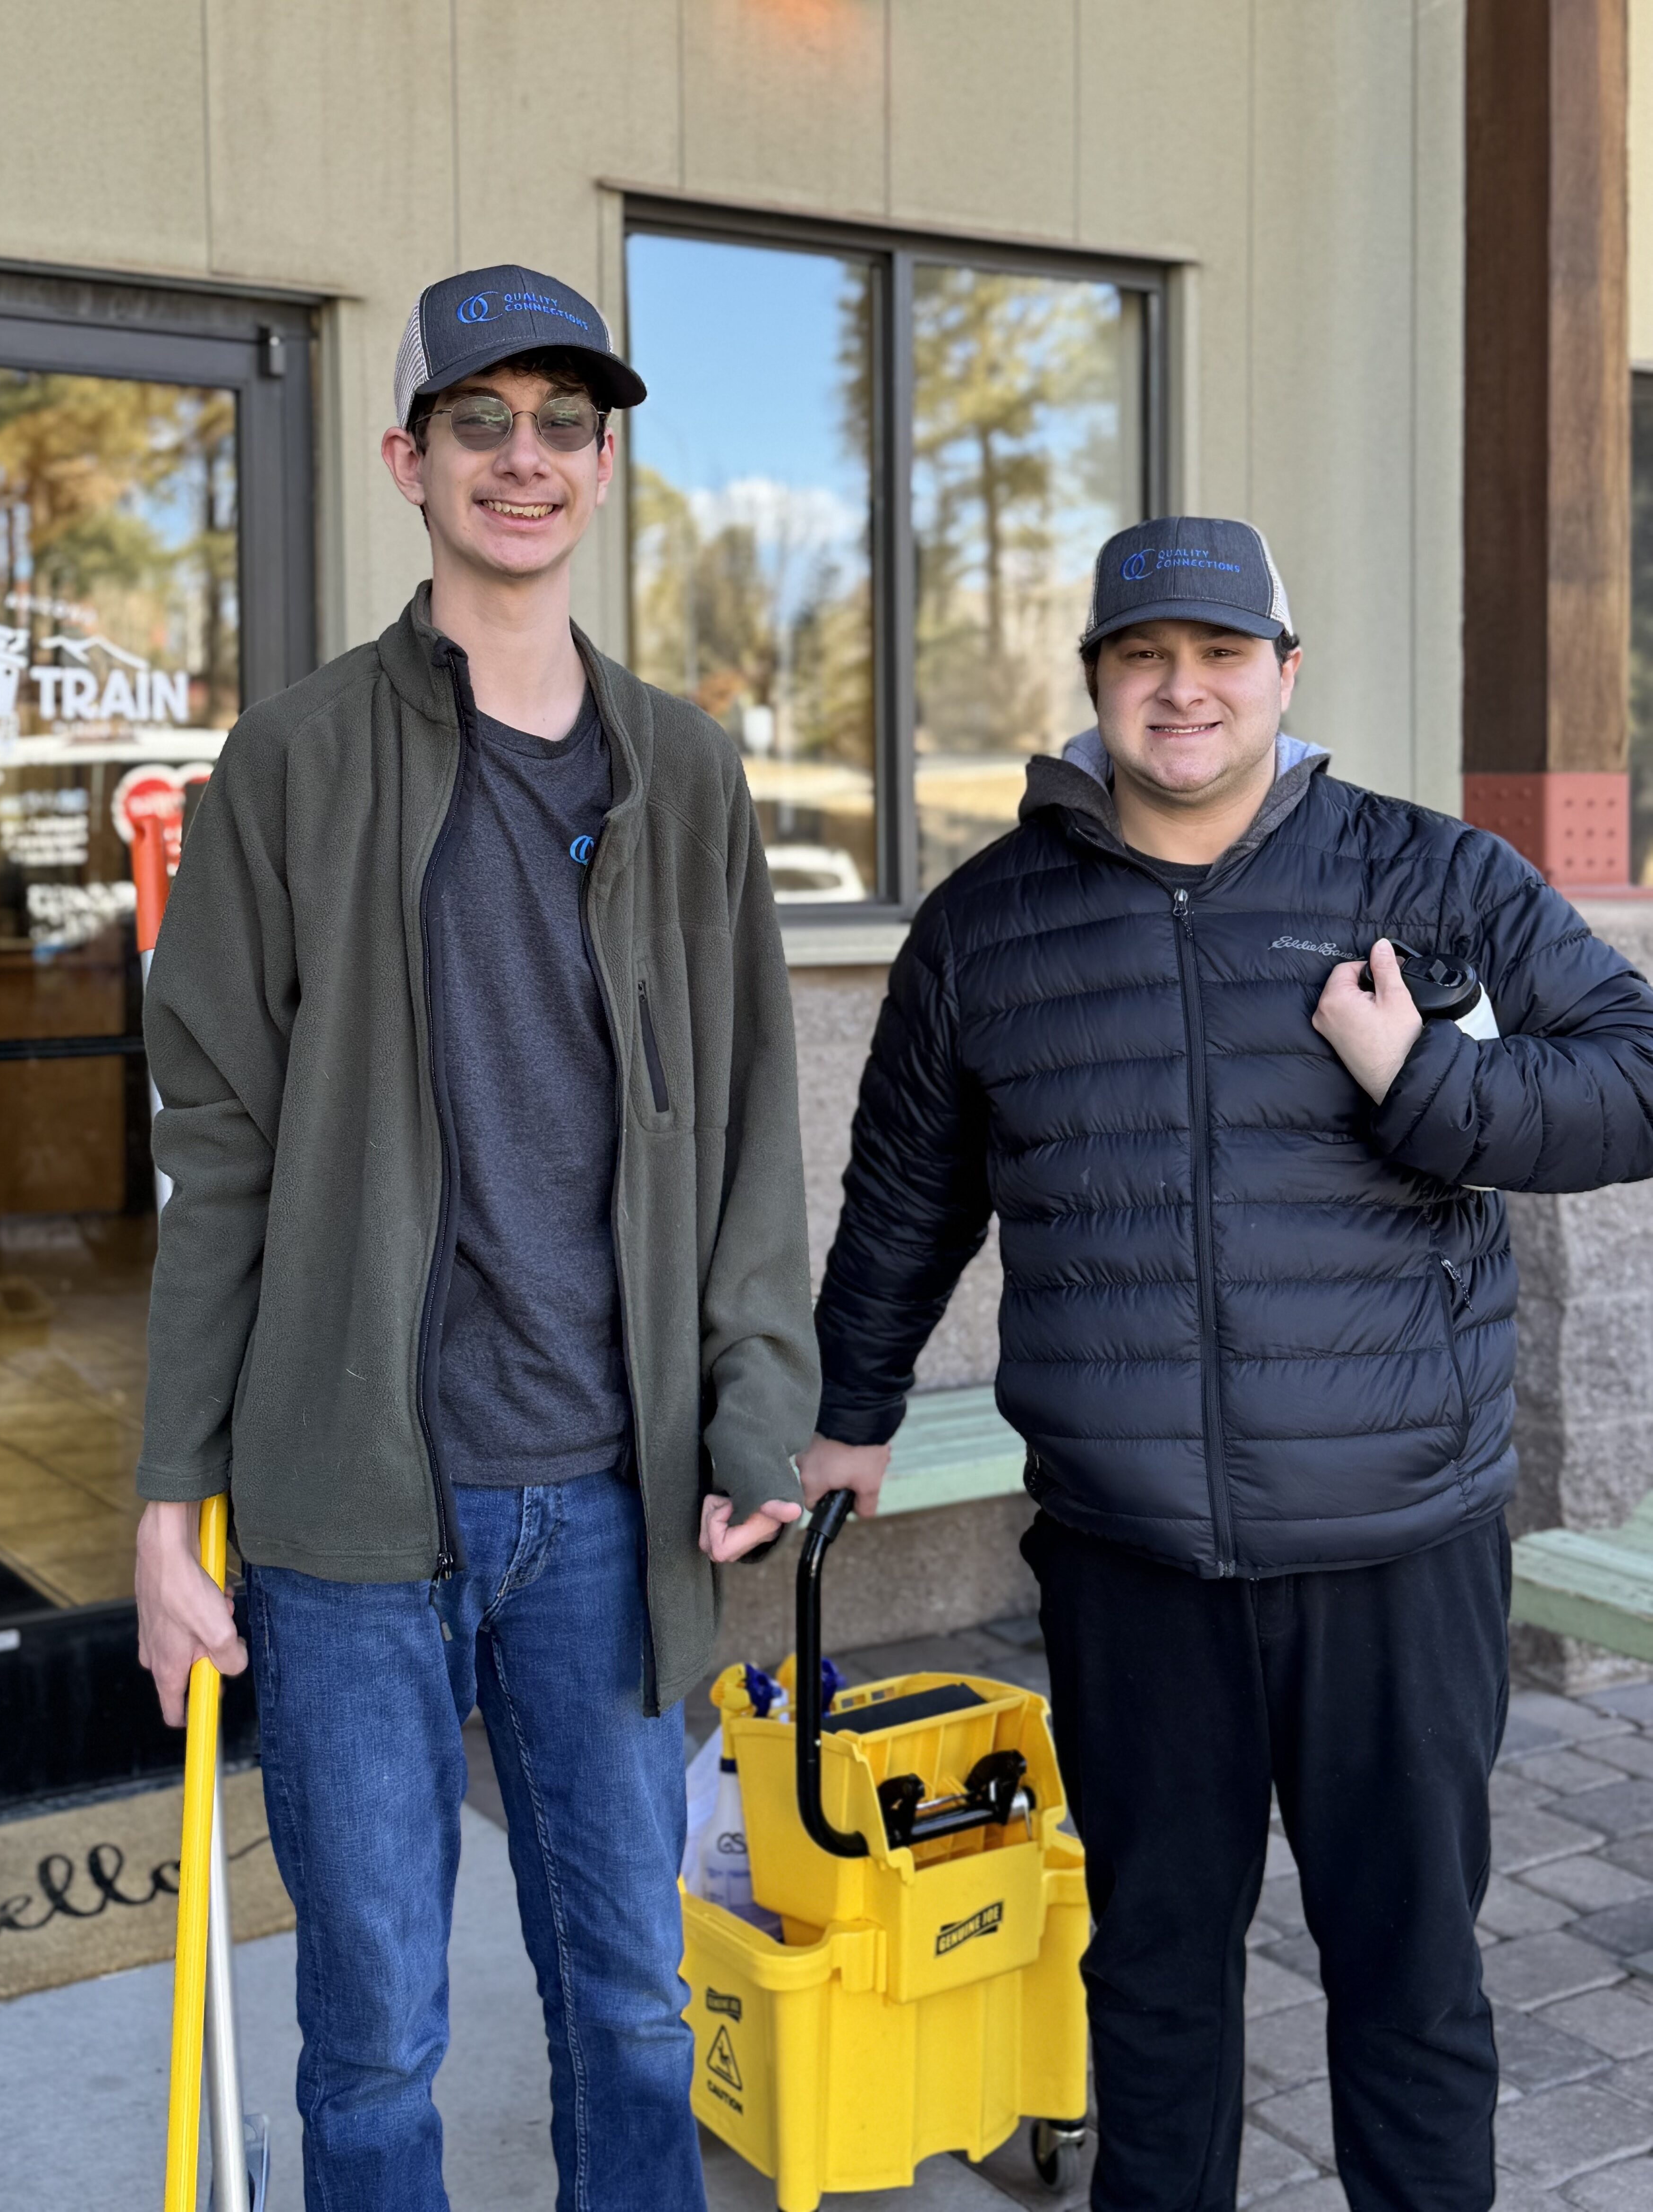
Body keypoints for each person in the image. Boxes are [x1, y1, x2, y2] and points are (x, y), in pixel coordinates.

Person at [802, 515, 1653, 2212]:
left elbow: (1630, 1080)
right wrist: (847, 1413)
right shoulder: (987, 926)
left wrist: (1424, 1082)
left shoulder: (1428, 877)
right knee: (1153, 1980)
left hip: (1395, 1547)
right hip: (1132, 1563)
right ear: (1098, 686)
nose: (1180, 690)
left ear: (1282, 673)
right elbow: (904, 1190)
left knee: (1409, 1983)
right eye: (1141, 658)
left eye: (1216, 655)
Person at [129, 262, 819, 2212]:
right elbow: (223, 1152)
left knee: (632, 2010)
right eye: (482, 424)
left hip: (607, 1495)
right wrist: (170, 1506)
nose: (525, 459)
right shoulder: (299, 761)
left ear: (604, 470)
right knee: (375, 2034)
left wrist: (756, 1409)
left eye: (564, 427)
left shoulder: (683, 772)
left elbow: (759, 1120)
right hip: (351, 1514)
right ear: (407, 458)